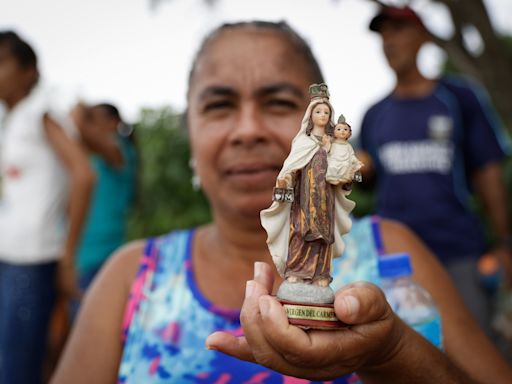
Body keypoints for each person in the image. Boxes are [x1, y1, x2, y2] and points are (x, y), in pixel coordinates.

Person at [52, 21, 512, 383]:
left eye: (276, 103)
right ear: (189, 134)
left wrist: (395, 354)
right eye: (219, 106)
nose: (248, 129)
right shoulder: (131, 278)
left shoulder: (395, 252)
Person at [358, 5, 512, 336]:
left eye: (397, 30)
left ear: (422, 37)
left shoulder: (458, 97)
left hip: (458, 251)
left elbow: (487, 172)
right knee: (410, 350)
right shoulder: (375, 114)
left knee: (474, 346)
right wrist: (358, 170)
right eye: (383, 35)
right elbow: (368, 183)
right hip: (397, 262)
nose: (389, 41)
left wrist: (503, 244)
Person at [0, 31, 94, 384]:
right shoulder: (12, 119)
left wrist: (68, 254)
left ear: (28, 71)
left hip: (32, 260)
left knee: (18, 370)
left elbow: (83, 175)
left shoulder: (40, 111)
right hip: (9, 256)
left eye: (2, 62)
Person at [261, 87, 353, 289]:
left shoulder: (335, 143)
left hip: (325, 196)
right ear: (311, 115)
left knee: (323, 235)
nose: (322, 115)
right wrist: (285, 179)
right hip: (303, 196)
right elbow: (291, 167)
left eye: (326, 112)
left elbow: (342, 166)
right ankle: (296, 270)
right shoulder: (303, 141)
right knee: (301, 231)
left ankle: (321, 273)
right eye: (318, 111)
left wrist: (346, 175)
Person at [72, 103, 137, 294]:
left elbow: (81, 129)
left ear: (114, 122)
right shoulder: (92, 157)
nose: (92, 125)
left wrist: (80, 111)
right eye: (89, 120)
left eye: (94, 119)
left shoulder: (120, 151)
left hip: (102, 254)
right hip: (79, 256)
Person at [326, 117, 363, 185]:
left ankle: (343, 178)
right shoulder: (333, 144)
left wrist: (356, 161)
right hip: (334, 160)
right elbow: (328, 151)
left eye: (345, 129)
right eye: (339, 129)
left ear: (349, 133)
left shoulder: (348, 146)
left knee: (346, 165)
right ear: (334, 132)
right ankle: (331, 177)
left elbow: (351, 155)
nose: (342, 131)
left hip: (344, 161)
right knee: (332, 166)